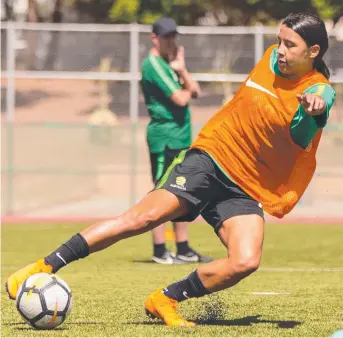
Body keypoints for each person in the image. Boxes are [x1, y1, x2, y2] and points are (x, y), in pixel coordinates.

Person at [6, 12, 336, 328]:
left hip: (247, 187)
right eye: (279, 40)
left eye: (290, 45)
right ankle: (40, 267)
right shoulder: (269, 58)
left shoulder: (319, 91)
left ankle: (165, 299)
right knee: (139, 220)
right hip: (211, 158)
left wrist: (314, 107)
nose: (280, 50)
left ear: (314, 51)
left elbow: (319, 100)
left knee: (245, 261)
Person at [140, 17, 212, 264]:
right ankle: (160, 250)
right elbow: (180, 99)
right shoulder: (153, 64)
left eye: (173, 36)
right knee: (160, 192)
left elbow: (196, 91)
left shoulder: (170, 64)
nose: (171, 41)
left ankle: (182, 248)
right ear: (155, 38)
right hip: (165, 140)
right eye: (166, 37)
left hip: (181, 138)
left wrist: (182, 69)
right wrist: (186, 88)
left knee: (182, 191)